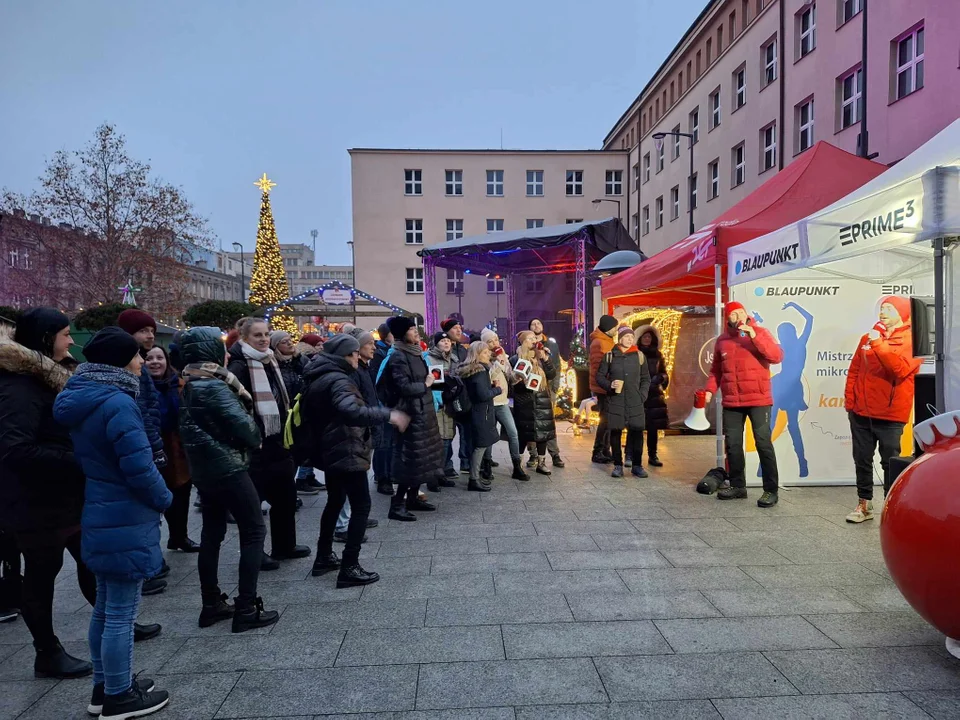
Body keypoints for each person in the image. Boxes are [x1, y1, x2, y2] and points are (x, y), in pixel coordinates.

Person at [54, 327, 172, 719]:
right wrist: (164, 497)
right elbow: (138, 466)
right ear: (122, 361)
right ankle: (119, 696)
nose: (143, 362)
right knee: (121, 610)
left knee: (106, 606)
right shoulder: (118, 402)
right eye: (138, 356)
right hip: (125, 511)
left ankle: (105, 687)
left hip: (102, 508)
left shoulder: (85, 396)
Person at [0, 309, 93, 678]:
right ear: (44, 338)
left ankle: (115, 621)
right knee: (41, 575)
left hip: (61, 497)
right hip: (34, 503)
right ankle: (47, 652)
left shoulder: (45, 376)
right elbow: (15, 449)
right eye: (66, 334)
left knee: (90, 559)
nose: (72, 342)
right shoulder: (17, 386)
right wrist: (78, 459)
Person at [179, 326, 281, 633]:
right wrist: (250, 434)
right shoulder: (213, 385)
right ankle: (246, 607)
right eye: (220, 346)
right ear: (209, 351)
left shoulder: (192, 381)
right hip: (228, 468)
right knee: (253, 531)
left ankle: (211, 604)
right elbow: (247, 430)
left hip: (206, 470)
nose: (226, 352)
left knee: (212, 534)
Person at [305, 334, 408, 587]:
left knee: (335, 501)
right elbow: (351, 411)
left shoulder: (318, 374)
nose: (356, 357)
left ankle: (324, 556)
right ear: (346, 354)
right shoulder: (339, 379)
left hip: (330, 448)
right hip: (345, 447)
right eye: (353, 353)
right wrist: (388, 414)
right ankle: (349, 566)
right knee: (361, 505)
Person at [228, 318, 309, 569]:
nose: (263, 339)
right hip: (255, 443)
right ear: (244, 338)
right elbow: (236, 407)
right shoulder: (241, 366)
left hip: (278, 439)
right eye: (257, 336)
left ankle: (285, 545)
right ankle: (255, 552)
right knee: (254, 503)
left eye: (266, 334)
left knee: (285, 496)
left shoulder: (270, 360)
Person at [844, 296, 922, 523]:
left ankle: (891, 508)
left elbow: (899, 369)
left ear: (902, 313)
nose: (883, 311)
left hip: (890, 415)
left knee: (890, 461)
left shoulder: (912, 340)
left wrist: (878, 343)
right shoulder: (867, 338)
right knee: (862, 459)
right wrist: (851, 402)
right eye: (882, 307)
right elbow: (854, 371)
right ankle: (864, 505)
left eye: (889, 308)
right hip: (860, 413)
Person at [704, 301, 784, 508]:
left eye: (741, 312)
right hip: (732, 401)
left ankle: (770, 490)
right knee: (733, 445)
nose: (738, 316)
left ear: (746, 315)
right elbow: (716, 371)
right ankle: (738, 486)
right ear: (727, 318)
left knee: (763, 442)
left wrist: (754, 336)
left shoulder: (760, 332)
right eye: (733, 314)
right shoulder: (722, 341)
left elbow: (776, 356)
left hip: (758, 399)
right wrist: (710, 391)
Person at [117, 309, 169, 594]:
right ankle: (141, 570)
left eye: (151, 330)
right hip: (142, 446)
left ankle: (149, 564)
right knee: (140, 512)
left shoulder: (137, 362)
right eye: (143, 331)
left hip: (148, 442)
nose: (150, 335)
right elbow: (141, 411)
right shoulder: (127, 365)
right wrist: (154, 447)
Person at [378, 316, 445, 521]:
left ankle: (413, 498)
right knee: (409, 460)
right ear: (402, 333)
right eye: (411, 329)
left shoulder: (415, 352)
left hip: (423, 412)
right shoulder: (398, 356)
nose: (416, 331)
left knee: (422, 459)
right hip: (411, 414)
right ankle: (397, 504)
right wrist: (426, 384)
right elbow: (404, 387)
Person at [145, 346, 199, 553]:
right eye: (149, 358)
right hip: (154, 444)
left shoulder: (179, 384)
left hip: (177, 445)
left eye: (160, 357)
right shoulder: (141, 387)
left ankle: (179, 536)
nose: (155, 362)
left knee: (182, 491)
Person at [762, 302, 813, 479]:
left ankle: (801, 462)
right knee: (773, 426)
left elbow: (810, 318)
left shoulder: (798, 344)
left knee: (790, 426)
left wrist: (793, 305)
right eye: (779, 334)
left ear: (789, 333)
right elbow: (763, 341)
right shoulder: (783, 345)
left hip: (790, 387)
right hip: (782, 385)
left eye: (782, 333)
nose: (781, 336)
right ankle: (764, 465)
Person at [271, 330, 322, 496]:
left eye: (290, 340)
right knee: (285, 457)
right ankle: (286, 490)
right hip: (282, 415)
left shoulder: (299, 361)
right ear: (275, 346)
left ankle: (294, 486)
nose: (289, 343)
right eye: (284, 342)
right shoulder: (272, 364)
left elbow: (310, 374)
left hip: (299, 413)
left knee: (299, 452)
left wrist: (299, 358)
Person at [596, 327, 651, 478]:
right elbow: (599, 377)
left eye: (631, 337)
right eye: (626, 336)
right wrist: (610, 385)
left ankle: (637, 465)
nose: (629, 339)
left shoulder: (639, 356)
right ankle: (618, 465)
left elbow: (646, 378)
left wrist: (642, 395)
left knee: (637, 432)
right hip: (616, 400)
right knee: (616, 432)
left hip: (635, 400)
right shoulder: (610, 356)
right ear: (619, 338)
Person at [480, 329, 527, 480]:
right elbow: (486, 377)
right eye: (490, 341)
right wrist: (497, 363)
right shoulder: (483, 358)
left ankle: (517, 467)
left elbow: (510, 377)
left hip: (503, 402)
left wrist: (518, 376)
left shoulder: (504, 358)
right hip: (489, 403)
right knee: (490, 436)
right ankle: (486, 466)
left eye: (495, 340)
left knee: (513, 433)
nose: (494, 344)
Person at [456, 341, 503, 491]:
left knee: (475, 445)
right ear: (477, 355)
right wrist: (497, 390)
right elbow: (483, 395)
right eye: (484, 352)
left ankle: (475, 477)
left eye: (488, 351)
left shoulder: (468, 370)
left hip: (471, 413)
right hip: (481, 413)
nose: (488, 354)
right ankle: (474, 479)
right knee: (480, 446)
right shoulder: (480, 371)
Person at [511, 331, 558, 476]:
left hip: (542, 399)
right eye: (530, 338)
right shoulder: (515, 359)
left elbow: (551, 375)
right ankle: (517, 465)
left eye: (534, 338)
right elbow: (511, 383)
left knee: (542, 433)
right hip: (524, 401)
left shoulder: (541, 356)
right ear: (523, 341)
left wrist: (545, 358)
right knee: (523, 434)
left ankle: (541, 463)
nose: (533, 340)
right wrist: (523, 383)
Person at [527, 318, 565, 469]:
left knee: (548, 423)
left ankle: (554, 454)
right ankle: (533, 454)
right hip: (532, 389)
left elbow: (557, 366)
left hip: (548, 388)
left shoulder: (551, 344)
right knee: (532, 422)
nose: (536, 325)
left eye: (538, 323)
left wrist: (555, 387)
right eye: (533, 324)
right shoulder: (526, 344)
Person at [425, 331, 460, 484]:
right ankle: (434, 474)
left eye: (448, 340)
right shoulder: (428, 358)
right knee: (437, 439)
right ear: (436, 343)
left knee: (448, 437)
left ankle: (443, 471)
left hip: (450, 403)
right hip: (436, 403)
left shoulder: (454, 359)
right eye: (443, 340)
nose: (446, 343)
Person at [636, 325, 670, 468]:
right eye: (644, 337)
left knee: (653, 427)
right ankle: (633, 456)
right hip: (639, 394)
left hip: (654, 395)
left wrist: (661, 378)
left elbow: (664, 372)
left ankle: (653, 455)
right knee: (636, 427)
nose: (647, 339)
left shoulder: (658, 355)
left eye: (649, 337)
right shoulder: (635, 354)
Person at [440, 317, 471, 474]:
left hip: (463, 396)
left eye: (460, 327)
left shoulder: (463, 349)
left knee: (465, 430)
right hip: (448, 396)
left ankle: (465, 462)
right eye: (455, 328)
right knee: (448, 433)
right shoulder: (441, 348)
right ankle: (447, 464)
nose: (459, 330)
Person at [589, 315, 619, 464]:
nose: (616, 329)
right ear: (608, 328)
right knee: (605, 420)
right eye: (615, 327)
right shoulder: (599, 342)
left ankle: (605, 450)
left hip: (606, 385)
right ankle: (598, 451)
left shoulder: (606, 340)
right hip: (603, 387)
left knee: (608, 420)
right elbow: (600, 366)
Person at [371, 324, 395, 496]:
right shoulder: (380, 354)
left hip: (387, 404)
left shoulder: (386, 351)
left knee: (387, 441)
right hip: (382, 404)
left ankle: (386, 474)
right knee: (383, 443)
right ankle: (382, 476)